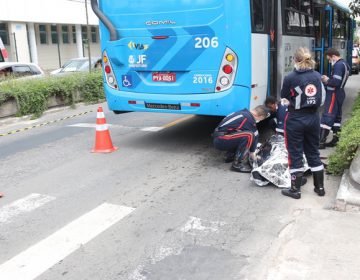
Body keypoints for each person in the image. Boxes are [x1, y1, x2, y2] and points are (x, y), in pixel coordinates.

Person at [281, 47, 326, 199]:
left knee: (295, 153)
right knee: (313, 151)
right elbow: (322, 99)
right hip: (313, 118)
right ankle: (320, 188)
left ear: (295, 60)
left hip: (295, 119)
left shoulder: (290, 78)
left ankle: (295, 190)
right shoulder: (317, 76)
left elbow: (285, 100)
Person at [213, 105, 268, 173]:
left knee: (241, 133)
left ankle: (230, 156)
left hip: (220, 137)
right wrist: (253, 154)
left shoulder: (244, 113)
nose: (259, 120)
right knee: (249, 135)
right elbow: (255, 135)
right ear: (261, 116)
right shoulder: (248, 119)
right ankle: (237, 165)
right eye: (261, 119)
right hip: (221, 140)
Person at [319, 48, 350, 149]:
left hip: (334, 93)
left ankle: (321, 142)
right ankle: (335, 140)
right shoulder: (345, 64)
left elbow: (336, 82)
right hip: (340, 93)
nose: (329, 61)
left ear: (333, 56)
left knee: (328, 115)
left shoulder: (338, 65)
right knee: (337, 117)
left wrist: (326, 80)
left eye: (329, 59)